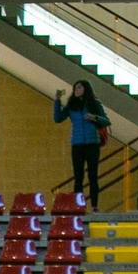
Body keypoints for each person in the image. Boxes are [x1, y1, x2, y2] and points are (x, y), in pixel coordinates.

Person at [54, 79, 110, 208]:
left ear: (86, 89)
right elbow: (58, 118)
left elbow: (106, 121)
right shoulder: (71, 106)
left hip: (92, 143)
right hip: (77, 143)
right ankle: (78, 206)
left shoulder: (94, 104)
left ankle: (94, 206)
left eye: (79, 87)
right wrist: (57, 101)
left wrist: (94, 117)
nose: (76, 90)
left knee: (93, 175)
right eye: (75, 88)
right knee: (78, 176)